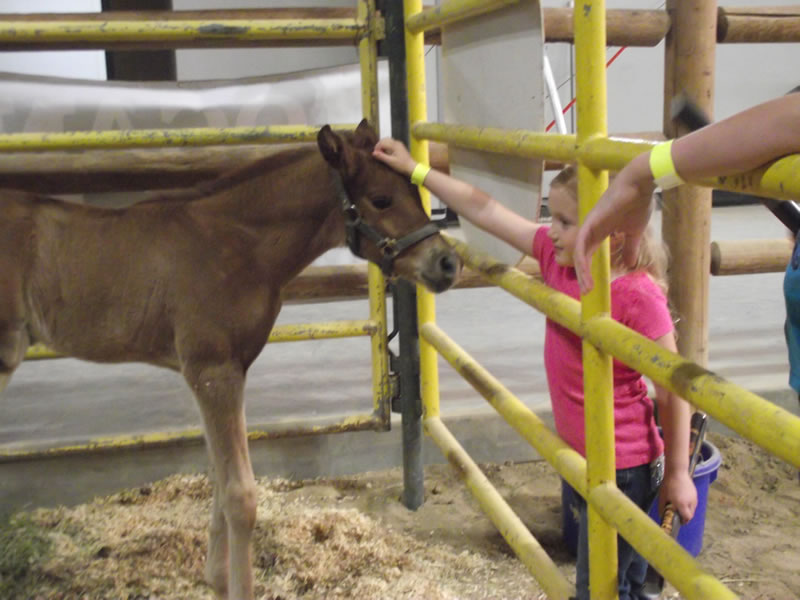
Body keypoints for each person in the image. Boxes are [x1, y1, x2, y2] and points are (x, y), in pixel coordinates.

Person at [373, 138, 697, 600]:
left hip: (626, 466)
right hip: (587, 459)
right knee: (619, 583)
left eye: (566, 221)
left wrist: (678, 473)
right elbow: (483, 209)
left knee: (602, 588)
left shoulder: (637, 295)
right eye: (552, 216)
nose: (553, 230)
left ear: (615, 232)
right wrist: (417, 171)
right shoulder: (557, 258)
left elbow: (672, 387)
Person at [572, 94, 800, 402]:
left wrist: (642, 176)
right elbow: (783, 123)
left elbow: (671, 393)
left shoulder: (642, 298)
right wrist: (642, 175)